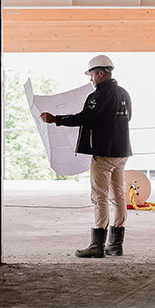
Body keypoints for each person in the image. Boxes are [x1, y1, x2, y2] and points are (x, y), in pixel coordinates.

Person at [40, 55, 132, 258]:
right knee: (118, 196)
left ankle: (97, 245)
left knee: (99, 197)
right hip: (122, 152)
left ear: (100, 73)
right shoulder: (124, 93)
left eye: (91, 75)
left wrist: (57, 119)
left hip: (104, 153)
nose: (91, 79)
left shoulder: (98, 96)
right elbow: (128, 118)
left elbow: (85, 118)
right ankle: (116, 245)